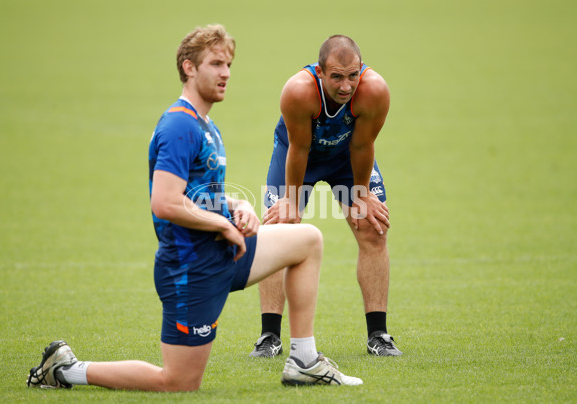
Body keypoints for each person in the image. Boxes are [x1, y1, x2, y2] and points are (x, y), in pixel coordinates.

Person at [25, 25, 363, 392]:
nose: (226, 73)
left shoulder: (206, 126)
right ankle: (65, 369)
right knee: (179, 381)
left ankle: (304, 360)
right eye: (216, 64)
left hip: (221, 254)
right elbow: (166, 201)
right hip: (190, 269)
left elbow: (200, 193)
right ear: (189, 68)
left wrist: (237, 205)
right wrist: (223, 227)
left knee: (307, 240)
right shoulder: (179, 125)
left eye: (229, 64)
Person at [249, 35, 402, 358]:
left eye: (352, 75)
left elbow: (362, 146)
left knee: (373, 228)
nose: (346, 86)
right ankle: (269, 337)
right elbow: (299, 148)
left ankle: (379, 335)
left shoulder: (374, 91)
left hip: (348, 158)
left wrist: (361, 195)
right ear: (320, 72)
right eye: (336, 76)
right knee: (279, 230)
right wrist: (290, 200)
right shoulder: (298, 92)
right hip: (298, 155)